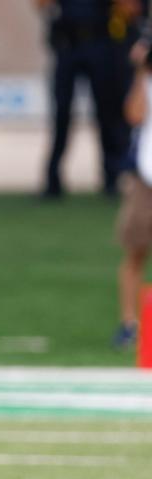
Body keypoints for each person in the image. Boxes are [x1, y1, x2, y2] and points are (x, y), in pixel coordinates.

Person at [37, 0, 146, 197]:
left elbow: (133, 9)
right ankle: (53, 179)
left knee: (107, 111)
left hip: (103, 42)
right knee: (61, 113)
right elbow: (42, 5)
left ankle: (111, 177)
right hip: (67, 43)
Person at [113, 35, 152, 348]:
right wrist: (141, 69)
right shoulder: (147, 81)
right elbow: (134, 114)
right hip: (147, 177)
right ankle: (129, 323)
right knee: (135, 251)